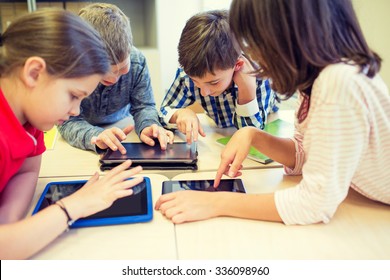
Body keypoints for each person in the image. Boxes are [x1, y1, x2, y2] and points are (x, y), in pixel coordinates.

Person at [155, 0, 390, 225]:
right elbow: (303, 156)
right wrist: (254, 135)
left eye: (255, 41)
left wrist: (217, 201)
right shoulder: (316, 81)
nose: (252, 56)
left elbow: (315, 203)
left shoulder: (338, 81)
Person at [0, 9, 143, 260]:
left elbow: (27, 170)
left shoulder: (31, 119)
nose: (76, 110)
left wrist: (10, 226)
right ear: (34, 73)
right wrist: (75, 206)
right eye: (73, 95)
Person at [58, 3, 173, 155]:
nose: (113, 79)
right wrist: (95, 135)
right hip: (82, 133)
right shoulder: (71, 68)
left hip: (123, 125)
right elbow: (67, 121)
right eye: (105, 71)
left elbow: (144, 106)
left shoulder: (137, 61)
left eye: (122, 68)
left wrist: (148, 125)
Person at [159, 10, 279, 143]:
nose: (204, 92)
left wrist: (247, 90)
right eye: (195, 81)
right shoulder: (187, 75)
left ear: (237, 65)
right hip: (218, 135)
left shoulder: (259, 73)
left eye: (214, 82)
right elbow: (163, 111)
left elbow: (252, 135)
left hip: (270, 126)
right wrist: (179, 114)